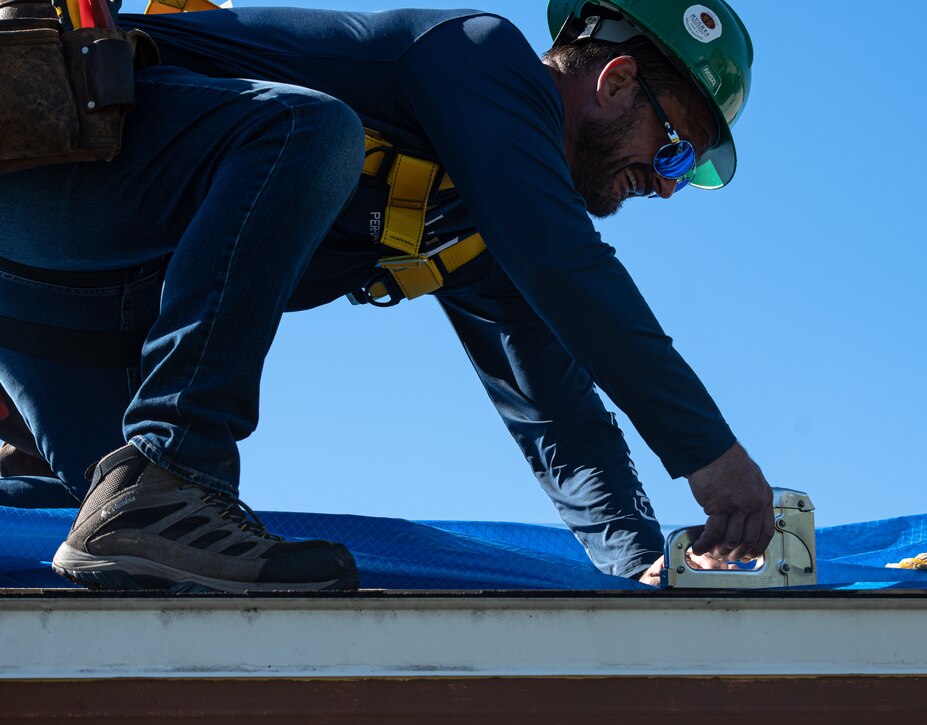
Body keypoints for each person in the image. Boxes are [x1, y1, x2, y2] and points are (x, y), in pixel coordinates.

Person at [0, 0, 774, 591]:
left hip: (50, 305)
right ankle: (173, 467)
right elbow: (563, 264)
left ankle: (93, 483)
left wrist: (644, 565)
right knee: (309, 132)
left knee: (109, 552)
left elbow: (562, 421)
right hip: (53, 176)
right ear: (617, 80)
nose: (666, 189)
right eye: (673, 154)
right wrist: (710, 454)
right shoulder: (481, 56)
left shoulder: (473, 230)